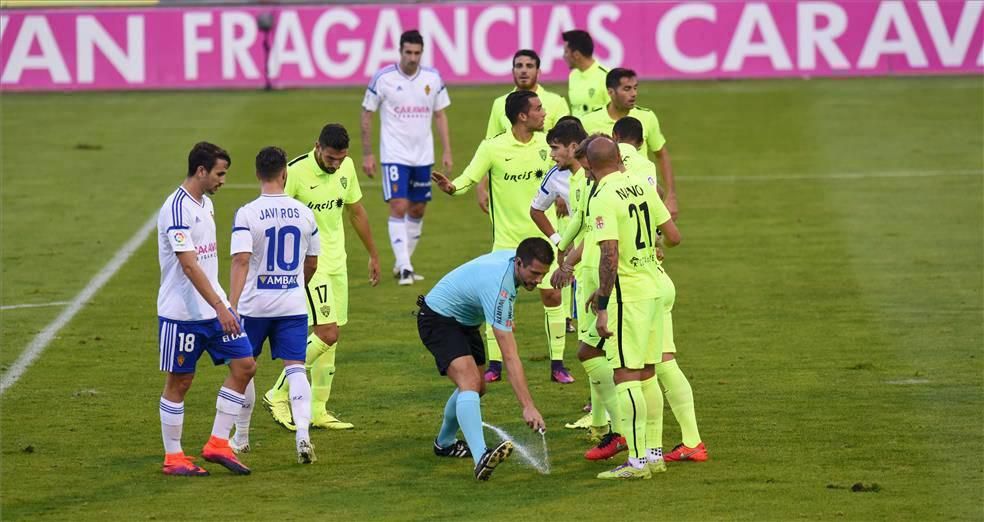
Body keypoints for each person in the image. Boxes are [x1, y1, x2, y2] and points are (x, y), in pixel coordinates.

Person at [432, 91, 574, 384]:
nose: (543, 112)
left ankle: (557, 363)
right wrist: (452, 187)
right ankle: (495, 364)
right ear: (522, 116)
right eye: (537, 109)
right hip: (507, 242)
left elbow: (563, 176)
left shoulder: (546, 146)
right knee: (495, 301)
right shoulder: (493, 147)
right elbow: (470, 177)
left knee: (553, 294)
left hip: (544, 237)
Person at [263, 124, 381, 432]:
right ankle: (277, 393)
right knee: (327, 333)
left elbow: (355, 211)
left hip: (337, 262)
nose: (336, 164)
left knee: (331, 337)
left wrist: (374, 254)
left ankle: (317, 409)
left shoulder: (347, 167)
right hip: (309, 265)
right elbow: (274, 217)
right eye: (330, 158)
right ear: (317, 146)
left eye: (340, 159)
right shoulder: (295, 173)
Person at [582, 137, 681, 479]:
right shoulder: (640, 184)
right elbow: (673, 234)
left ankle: (637, 463)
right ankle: (654, 454)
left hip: (629, 297)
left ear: (592, 167)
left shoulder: (603, 196)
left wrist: (604, 304)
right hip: (654, 287)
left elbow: (609, 253)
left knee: (625, 375)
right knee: (649, 373)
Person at [156, 141, 255, 476]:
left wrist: (224, 304)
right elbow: (188, 265)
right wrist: (221, 305)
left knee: (244, 365)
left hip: (215, 309)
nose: (223, 180)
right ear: (201, 171)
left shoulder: (205, 204)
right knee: (180, 381)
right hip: (182, 314)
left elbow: (208, 262)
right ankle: (174, 457)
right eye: (219, 173)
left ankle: (217, 443)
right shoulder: (176, 209)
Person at [612, 117, 707, 463]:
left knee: (640, 370)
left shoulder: (608, 177)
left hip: (634, 285)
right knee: (659, 365)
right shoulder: (646, 169)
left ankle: (644, 449)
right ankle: (678, 444)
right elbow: (673, 234)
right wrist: (653, 243)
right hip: (658, 275)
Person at [417, 237, 550, 480]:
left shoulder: (514, 265)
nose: (538, 280)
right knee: (468, 382)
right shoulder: (499, 287)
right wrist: (527, 406)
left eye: (543, 274)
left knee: (477, 388)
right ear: (519, 262)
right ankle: (481, 458)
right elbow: (510, 356)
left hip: (466, 322)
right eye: (534, 273)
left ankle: (444, 443)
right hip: (438, 318)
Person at [227, 146, 320, 464]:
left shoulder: (247, 213)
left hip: (255, 307)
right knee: (296, 368)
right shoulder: (305, 213)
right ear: (285, 174)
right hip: (293, 305)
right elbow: (312, 262)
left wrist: (231, 304)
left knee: (243, 370)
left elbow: (240, 260)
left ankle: (241, 438)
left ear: (257, 175)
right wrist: (296, 285)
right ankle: (303, 436)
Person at [361, 29, 452, 285]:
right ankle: (404, 267)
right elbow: (366, 113)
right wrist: (368, 153)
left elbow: (440, 115)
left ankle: (404, 263)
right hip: (394, 153)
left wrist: (447, 150)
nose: (412, 57)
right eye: (408, 52)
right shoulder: (383, 78)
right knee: (398, 206)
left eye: (417, 53)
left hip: (423, 155)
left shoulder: (433, 78)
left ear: (421, 53)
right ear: (400, 52)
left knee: (418, 208)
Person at [580, 68, 679, 219]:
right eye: (627, 89)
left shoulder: (647, 117)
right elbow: (577, 160)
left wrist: (671, 196)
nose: (634, 93)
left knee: (650, 242)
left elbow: (661, 154)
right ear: (611, 92)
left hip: (640, 199)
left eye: (635, 88)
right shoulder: (588, 122)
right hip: (605, 200)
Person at [562, 30, 610, 117]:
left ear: (576, 55)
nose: (563, 56)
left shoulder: (606, 77)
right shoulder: (573, 76)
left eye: (566, 52)